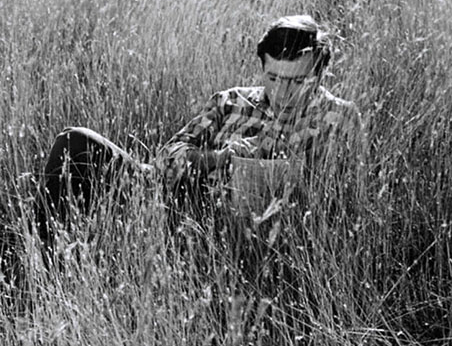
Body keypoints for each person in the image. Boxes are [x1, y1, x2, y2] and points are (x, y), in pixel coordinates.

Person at [35, 14, 362, 247]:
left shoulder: (339, 117)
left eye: (297, 81)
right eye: (273, 78)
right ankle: (43, 262)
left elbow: (342, 202)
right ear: (262, 67)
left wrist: (280, 169)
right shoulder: (231, 101)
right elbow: (167, 157)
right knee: (74, 141)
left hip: (237, 225)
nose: (282, 91)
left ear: (319, 75)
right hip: (172, 195)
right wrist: (220, 157)